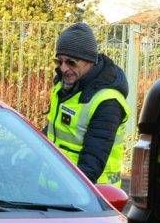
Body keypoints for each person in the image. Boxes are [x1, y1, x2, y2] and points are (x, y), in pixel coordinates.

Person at [45, 23, 130, 186]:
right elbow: (53, 130)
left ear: (89, 61)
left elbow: (92, 163)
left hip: (93, 194)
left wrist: (70, 193)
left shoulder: (108, 102)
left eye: (71, 62)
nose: (63, 68)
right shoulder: (64, 86)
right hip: (54, 187)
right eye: (59, 61)